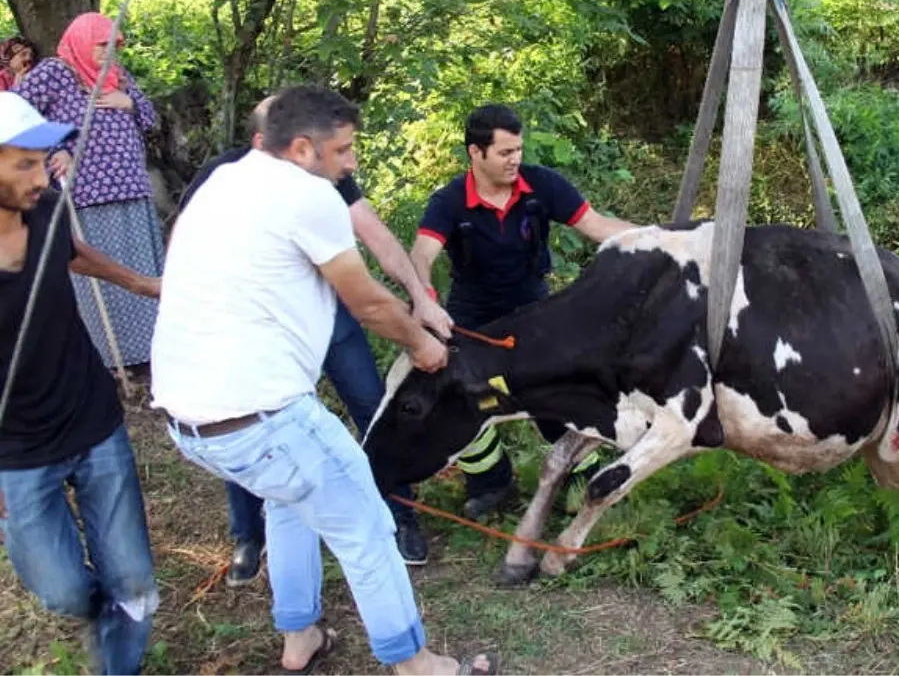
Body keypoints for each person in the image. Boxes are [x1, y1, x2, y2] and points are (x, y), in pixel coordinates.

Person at [151, 85, 497, 676]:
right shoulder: (305, 196)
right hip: (264, 417)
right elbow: (364, 302)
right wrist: (423, 345)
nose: (352, 162)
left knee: (291, 501)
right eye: (344, 151)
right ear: (304, 149)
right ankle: (417, 663)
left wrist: (419, 296)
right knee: (366, 527)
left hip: (192, 422)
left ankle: (300, 635)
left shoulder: (225, 182)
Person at [173, 95, 449, 581]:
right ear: (267, 143)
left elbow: (375, 235)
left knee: (372, 406)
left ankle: (400, 513)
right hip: (260, 331)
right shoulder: (224, 174)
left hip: (333, 318)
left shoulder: (327, 175)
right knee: (248, 424)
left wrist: (419, 296)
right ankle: (248, 535)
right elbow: (187, 240)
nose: (348, 160)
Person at [411, 102, 636, 519]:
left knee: (557, 391)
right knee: (462, 397)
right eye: (504, 152)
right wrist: (423, 299)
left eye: (518, 150)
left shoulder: (541, 185)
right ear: (475, 154)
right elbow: (423, 253)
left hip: (533, 307)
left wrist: (660, 238)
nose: (515, 159)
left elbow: (597, 227)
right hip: (475, 315)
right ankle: (491, 480)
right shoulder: (448, 202)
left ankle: (579, 472)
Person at [0, 92, 160, 676]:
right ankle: (101, 615)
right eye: (23, 163)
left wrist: (145, 285)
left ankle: (121, 663)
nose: (41, 177)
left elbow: (73, 251)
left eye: (43, 161)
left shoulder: (42, 211)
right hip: (14, 453)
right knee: (63, 591)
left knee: (133, 578)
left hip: (92, 421)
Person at [15, 13, 163, 373]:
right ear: (83, 40)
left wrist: (129, 103)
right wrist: (54, 151)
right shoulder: (56, 72)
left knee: (140, 270)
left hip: (130, 188)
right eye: (103, 45)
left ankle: (151, 353)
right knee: (100, 277)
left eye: (116, 45)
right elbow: (16, 114)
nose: (110, 52)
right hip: (86, 192)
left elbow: (151, 119)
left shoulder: (119, 78)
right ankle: (110, 358)